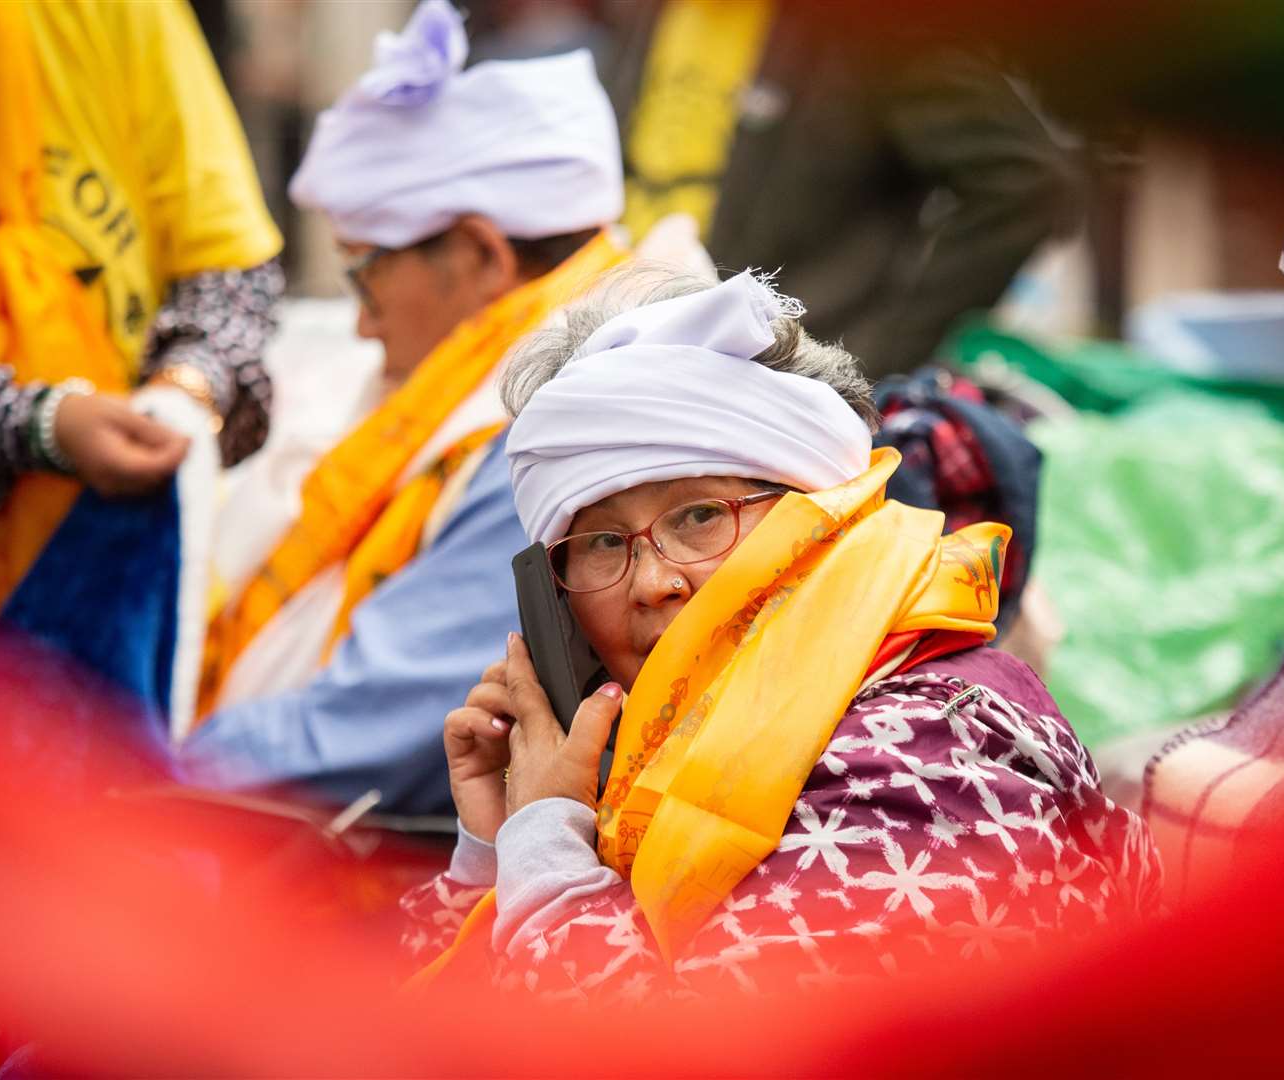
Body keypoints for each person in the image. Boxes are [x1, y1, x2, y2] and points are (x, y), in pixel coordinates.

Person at [400, 266, 1161, 994]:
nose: (653, 581)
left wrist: (546, 848)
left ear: (822, 520)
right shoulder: (656, 758)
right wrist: (497, 849)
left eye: (700, 516)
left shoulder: (921, 759)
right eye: (601, 543)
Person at [180, 0, 628, 816]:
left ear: (484, 256)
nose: (360, 322)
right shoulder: (551, 353)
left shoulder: (558, 419)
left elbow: (352, 734)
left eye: (365, 273)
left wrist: (125, 780)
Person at [0, 0, 282, 724]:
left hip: (121, 606)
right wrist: (30, 426)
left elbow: (229, 271)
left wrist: (184, 390)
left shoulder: (101, 13)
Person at [604, 0, 1077, 378]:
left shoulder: (873, 24)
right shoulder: (653, 12)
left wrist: (875, 353)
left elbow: (1023, 182)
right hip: (632, 362)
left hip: (776, 388)